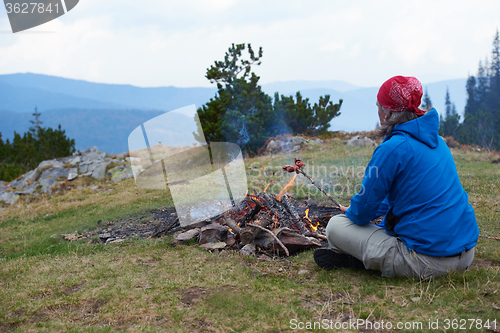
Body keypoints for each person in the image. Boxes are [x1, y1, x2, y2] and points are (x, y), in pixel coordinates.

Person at [314, 76, 479, 279]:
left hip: (426, 262)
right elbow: (396, 196)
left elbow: (362, 213)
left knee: (336, 226)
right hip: (465, 253)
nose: (378, 111)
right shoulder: (437, 141)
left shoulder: (392, 149)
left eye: (379, 106)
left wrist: (352, 212)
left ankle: (358, 260)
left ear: (388, 112)